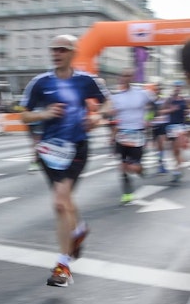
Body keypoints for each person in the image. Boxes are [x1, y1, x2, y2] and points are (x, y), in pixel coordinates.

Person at [19, 34, 109, 287]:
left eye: (62, 49)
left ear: (72, 52)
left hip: (77, 147)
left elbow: (108, 103)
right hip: (49, 151)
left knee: (60, 202)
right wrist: (44, 113)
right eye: (53, 49)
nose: (56, 52)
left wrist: (96, 117)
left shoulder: (86, 80)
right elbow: (23, 116)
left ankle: (63, 267)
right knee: (64, 200)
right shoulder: (39, 83)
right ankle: (78, 230)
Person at [104, 69, 153, 203]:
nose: (125, 78)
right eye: (123, 75)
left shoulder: (142, 93)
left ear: (132, 77)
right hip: (122, 134)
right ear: (120, 77)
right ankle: (127, 192)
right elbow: (108, 114)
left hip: (137, 133)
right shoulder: (116, 97)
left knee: (134, 167)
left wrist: (149, 118)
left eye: (128, 76)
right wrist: (107, 116)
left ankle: (140, 169)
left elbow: (155, 105)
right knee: (123, 166)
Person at [159, 82, 188, 183]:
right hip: (170, 127)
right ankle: (178, 167)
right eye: (176, 87)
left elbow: (187, 112)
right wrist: (170, 110)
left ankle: (177, 170)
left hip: (180, 127)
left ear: (181, 88)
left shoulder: (184, 100)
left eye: (179, 87)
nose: (177, 88)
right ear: (174, 88)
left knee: (177, 148)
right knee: (173, 150)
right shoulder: (169, 100)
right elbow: (161, 111)